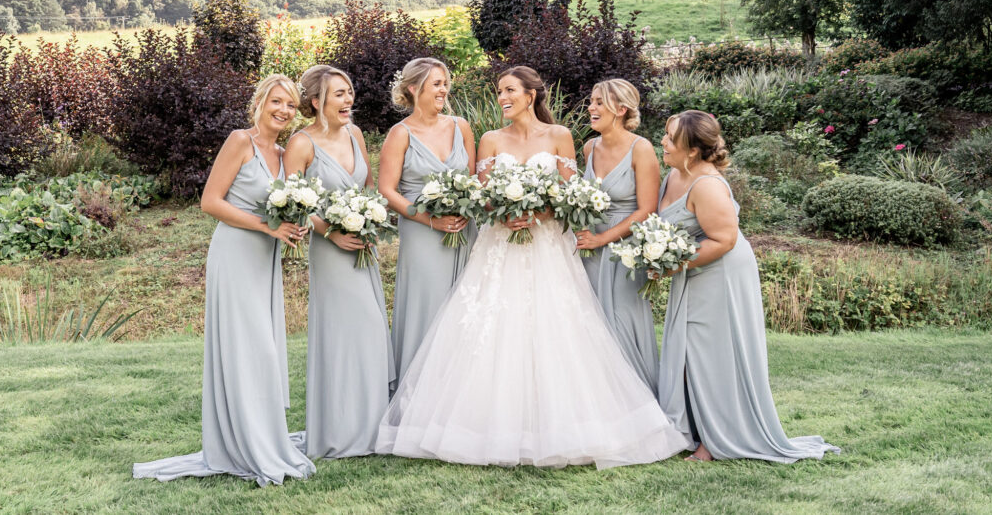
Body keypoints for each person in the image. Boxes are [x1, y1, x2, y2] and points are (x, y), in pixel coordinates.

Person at [376, 66, 689, 469]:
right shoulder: (489, 140)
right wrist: (504, 213)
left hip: (548, 246)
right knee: (490, 328)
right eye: (499, 91)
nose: (502, 97)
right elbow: (483, 196)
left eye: (509, 91)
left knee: (556, 328)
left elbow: (569, 194)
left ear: (530, 95)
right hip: (499, 246)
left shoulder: (559, 137)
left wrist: (539, 211)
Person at [133, 74, 315, 486]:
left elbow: (285, 207)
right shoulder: (240, 141)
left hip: (265, 259)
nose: (284, 110)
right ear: (260, 102)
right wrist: (267, 227)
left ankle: (261, 437)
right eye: (277, 102)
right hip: (235, 253)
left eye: (291, 104)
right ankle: (245, 445)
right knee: (247, 349)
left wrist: (293, 224)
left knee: (264, 351)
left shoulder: (286, 154)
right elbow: (210, 202)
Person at [656, 110, 840, 462]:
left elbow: (723, 239)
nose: (663, 141)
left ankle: (714, 442)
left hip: (720, 273)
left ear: (692, 150)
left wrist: (669, 263)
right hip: (694, 269)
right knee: (687, 351)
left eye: (669, 136)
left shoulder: (706, 184)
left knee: (713, 355)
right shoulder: (675, 174)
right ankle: (691, 429)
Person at [283, 65, 394, 459]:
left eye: (350, 92)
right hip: (330, 250)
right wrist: (332, 231)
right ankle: (340, 428)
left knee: (369, 330)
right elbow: (292, 203)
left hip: (363, 245)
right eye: (339, 94)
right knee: (344, 332)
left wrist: (369, 219)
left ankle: (371, 424)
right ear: (317, 102)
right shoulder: (301, 144)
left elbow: (367, 185)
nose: (348, 100)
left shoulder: (356, 134)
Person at [378, 57, 477, 384]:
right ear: (413, 88)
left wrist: (464, 206)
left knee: (465, 308)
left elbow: (473, 180)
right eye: (436, 83)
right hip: (422, 233)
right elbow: (387, 190)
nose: (444, 89)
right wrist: (429, 220)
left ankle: (462, 391)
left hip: (464, 232)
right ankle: (417, 391)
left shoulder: (461, 127)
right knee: (428, 308)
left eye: (445, 83)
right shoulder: (400, 133)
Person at [577, 79, 662, 396]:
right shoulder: (589, 148)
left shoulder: (641, 149)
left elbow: (647, 208)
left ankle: (640, 400)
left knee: (622, 322)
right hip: (589, 250)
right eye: (592, 101)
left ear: (621, 109)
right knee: (592, 323)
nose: (591, 107)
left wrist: (603, 240)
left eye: (599, 102)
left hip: (625, 251)